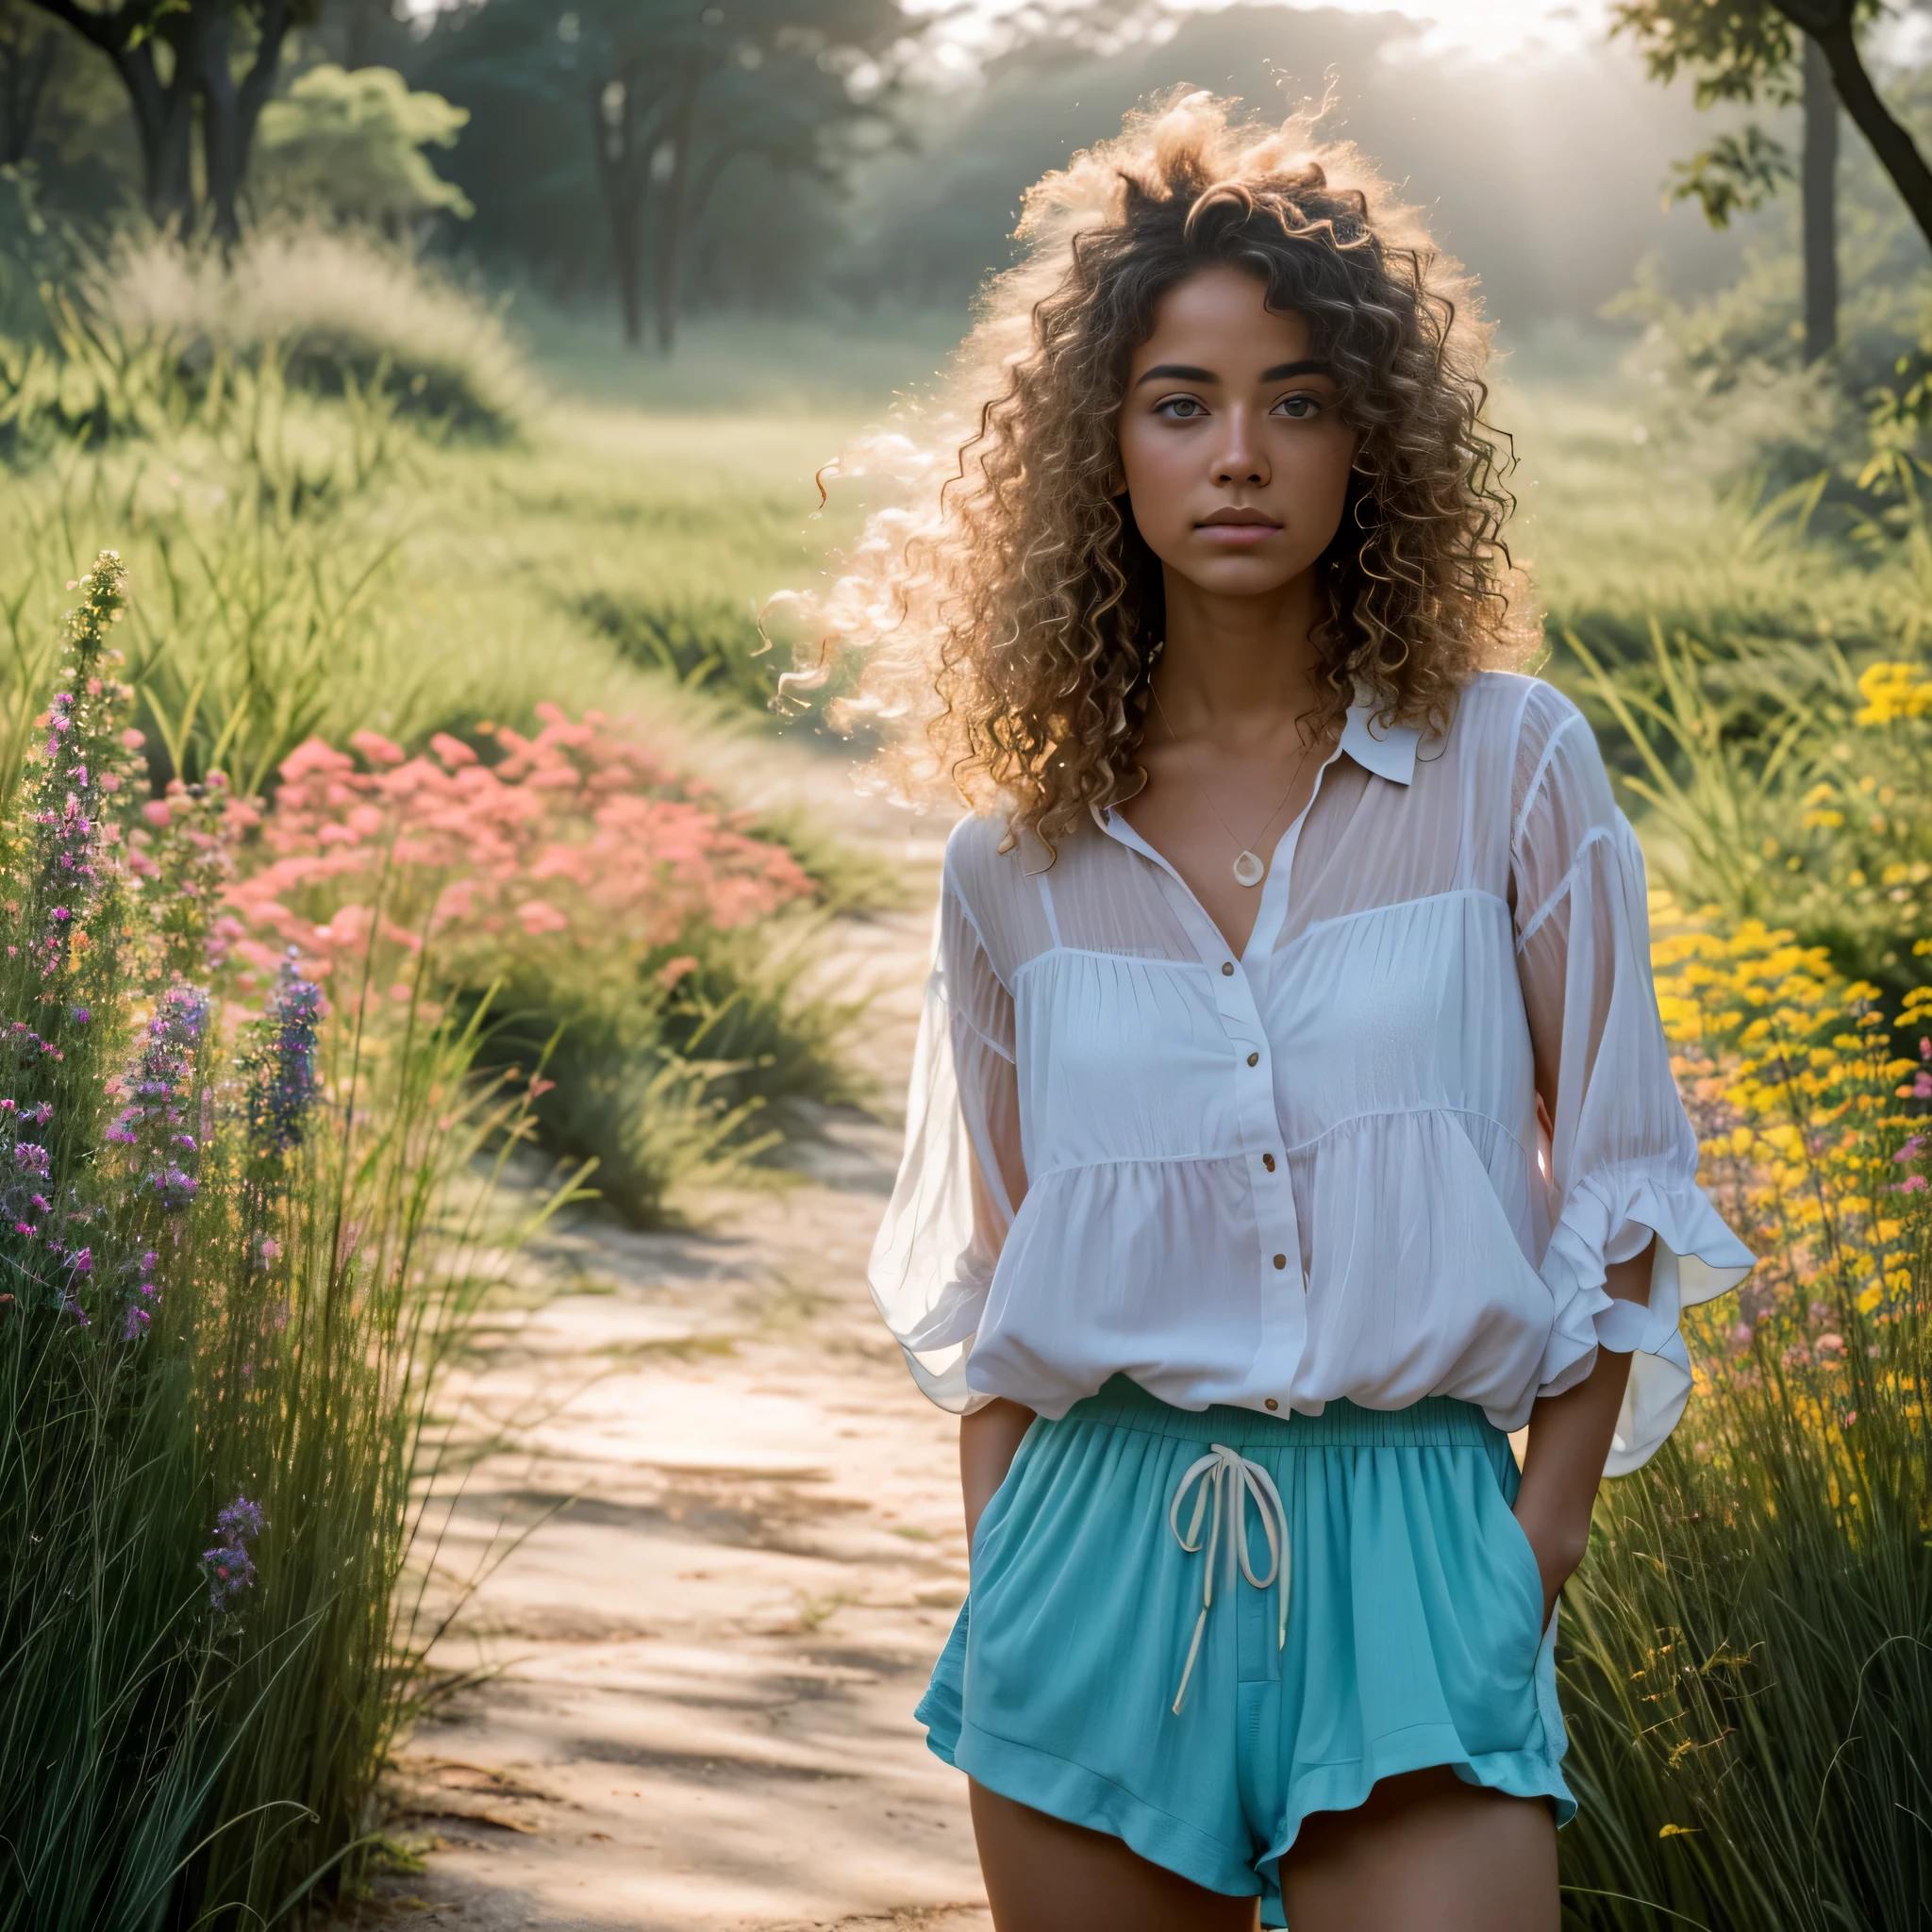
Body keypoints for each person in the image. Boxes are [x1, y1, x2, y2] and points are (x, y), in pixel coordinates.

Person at [824, 93, 1754, 1932]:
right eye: (1180, 401)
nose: (1236, 453)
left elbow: (1625, 1179)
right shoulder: (1014, 857)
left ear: (1371, 444)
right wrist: (1007, 1559)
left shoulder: (1510, 767)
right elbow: (1002, 1287)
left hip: (1422, 1549)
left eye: (1296, 399)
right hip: (1093, 1566)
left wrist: (1532, 1541)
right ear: (1102, 446)